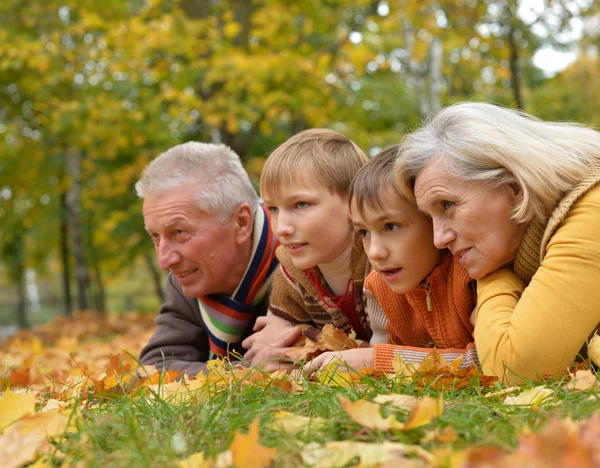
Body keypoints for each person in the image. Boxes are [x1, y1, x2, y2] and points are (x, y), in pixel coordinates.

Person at [396, 101, 600, 382]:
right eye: (430, 217)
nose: (439, 238)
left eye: (447, 205)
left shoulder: (593, 209)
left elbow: (516, 370)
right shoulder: (530, 239)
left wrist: (491, 276)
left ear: (514, 186)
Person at [304, 146, 477, 375]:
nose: (375, 252)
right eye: (364, 232)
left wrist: (379, 360)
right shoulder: (379, 287)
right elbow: (382, 358)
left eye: (391, 227)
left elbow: (492, 359)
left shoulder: (471, 272)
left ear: (433, 219)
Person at [136, 142, 280, 376]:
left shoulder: (302, 261)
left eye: (179, 232)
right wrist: (247, 372)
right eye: (155, 236)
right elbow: (155, 367)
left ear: (241, 223)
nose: (164, 261)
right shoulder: (189, 278)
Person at [242, 129, 372, 369]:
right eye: (273, 209)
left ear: (354, 203)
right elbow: (273, 340)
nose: (282, 227)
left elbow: (401, 346)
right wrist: (278, 346)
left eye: (301, 204)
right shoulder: (291, 274)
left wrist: (301, 335)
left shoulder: (381, 261)